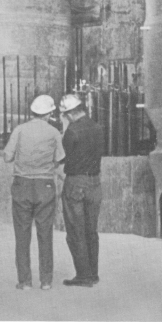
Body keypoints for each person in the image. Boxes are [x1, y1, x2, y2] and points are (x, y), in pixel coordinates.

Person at [3, 93, 65, 290]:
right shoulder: (54, 132)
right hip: (45, 186)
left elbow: (7, 157)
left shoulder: (19, 130)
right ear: (49, 114)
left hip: (22, 185)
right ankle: (45, 281)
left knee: (22, 235)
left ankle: (25, 281)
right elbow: (59, 159)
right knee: (45, 234)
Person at [59, 92, 103, 287]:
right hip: (95, 183)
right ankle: (93, 273)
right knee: (91, 230)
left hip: (76, 182)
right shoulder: (97, 127)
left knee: (76, 231)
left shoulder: (72, 131)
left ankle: (83, 275)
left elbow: (64, 156)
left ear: (69, 113)